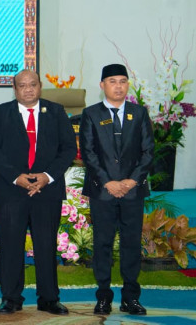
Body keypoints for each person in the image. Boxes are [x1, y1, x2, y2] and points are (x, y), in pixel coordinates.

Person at [0, 69, 77, 315]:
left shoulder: (56, 112)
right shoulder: (1, 112)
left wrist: (47, 176)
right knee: (10, 246)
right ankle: (11, 298)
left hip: (47, 191)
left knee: (46, 246)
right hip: (11, 191)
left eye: (32, 84)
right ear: (14, 89)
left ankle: (49, 298)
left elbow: (69, 148)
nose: (28, 89)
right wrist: (17, 177)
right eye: (22, 85)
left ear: (40, 86)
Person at [80, 64, 153, 316]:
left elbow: (148, 151)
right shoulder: (90, 114)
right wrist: (108, 182)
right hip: (103, 191)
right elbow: (88, 153)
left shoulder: (139, 113)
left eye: (123, 81)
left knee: (131, 244)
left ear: (128, 85)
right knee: (102, 244)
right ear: (102, 85)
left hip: (133, 191)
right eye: (112, 81)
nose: (118, 86)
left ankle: (130, 298)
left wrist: (132, 181)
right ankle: (103, 297)